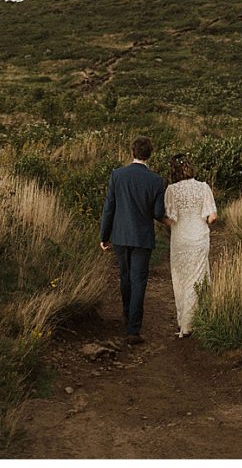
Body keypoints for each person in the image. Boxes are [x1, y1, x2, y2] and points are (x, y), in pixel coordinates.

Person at [98, 135, 168, 344]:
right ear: (150, 154)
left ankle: (127, 315)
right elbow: (157, 212)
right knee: (139, 282)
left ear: (132, 153)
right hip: (142, 237)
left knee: (125, 277)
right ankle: (133, 329)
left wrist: (104, 235)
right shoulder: (156, 180)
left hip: (120, 235)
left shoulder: (117, 175)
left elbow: (109, 208)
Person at [164, 153, 217, 338]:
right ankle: (196, 321)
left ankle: (184, 323)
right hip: (199, 237)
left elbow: (171, 219)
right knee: (199, 279)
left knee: (181, 280)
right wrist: (201, 222)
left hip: (180, 239)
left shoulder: (171, 190)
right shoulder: (203, 187)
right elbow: (212, 216)